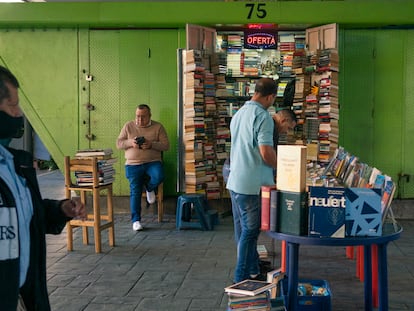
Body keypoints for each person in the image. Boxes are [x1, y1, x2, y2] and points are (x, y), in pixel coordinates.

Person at [0, 66, 86, 310]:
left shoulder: (18, 164)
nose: (18, 114)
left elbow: (25, 216)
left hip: (26, 296)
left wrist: (61, 209)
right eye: (12, 106)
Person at [226, 78, 279, 283]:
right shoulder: (263, 116)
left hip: (235, 180)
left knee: (242, 231)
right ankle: (241, 277)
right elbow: (266, 152)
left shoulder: (239, 113)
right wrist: (282, 167)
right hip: (251, 184)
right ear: (270, 96)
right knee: (251, 232)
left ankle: (253, 270)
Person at [116, 104, 169, 231]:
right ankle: (136, 220)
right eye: (137, 116)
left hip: (152, 161)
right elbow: (119, 143)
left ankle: (149, 188)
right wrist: (131, 143)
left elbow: (166, 146)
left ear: (150, 116)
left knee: (159, 176)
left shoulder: (158, 127)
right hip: (133, 163)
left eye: (143, 117)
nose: (139, 119)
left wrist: (151, 145)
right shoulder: (128, 126)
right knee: (135, 190)